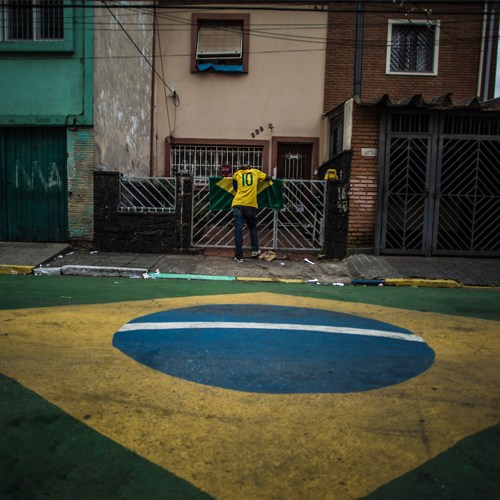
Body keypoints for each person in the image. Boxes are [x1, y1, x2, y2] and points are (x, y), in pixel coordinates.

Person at [232, 164, 271, 263]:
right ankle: (255, 249)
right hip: (250, 204)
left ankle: (239, 256)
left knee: (238, 229)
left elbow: (234, 185)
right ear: (250, 168)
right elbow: (268, 177)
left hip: (237, 203)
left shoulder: (237, 174)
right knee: (252, 227)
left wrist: (239, 169)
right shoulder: (255, 172)